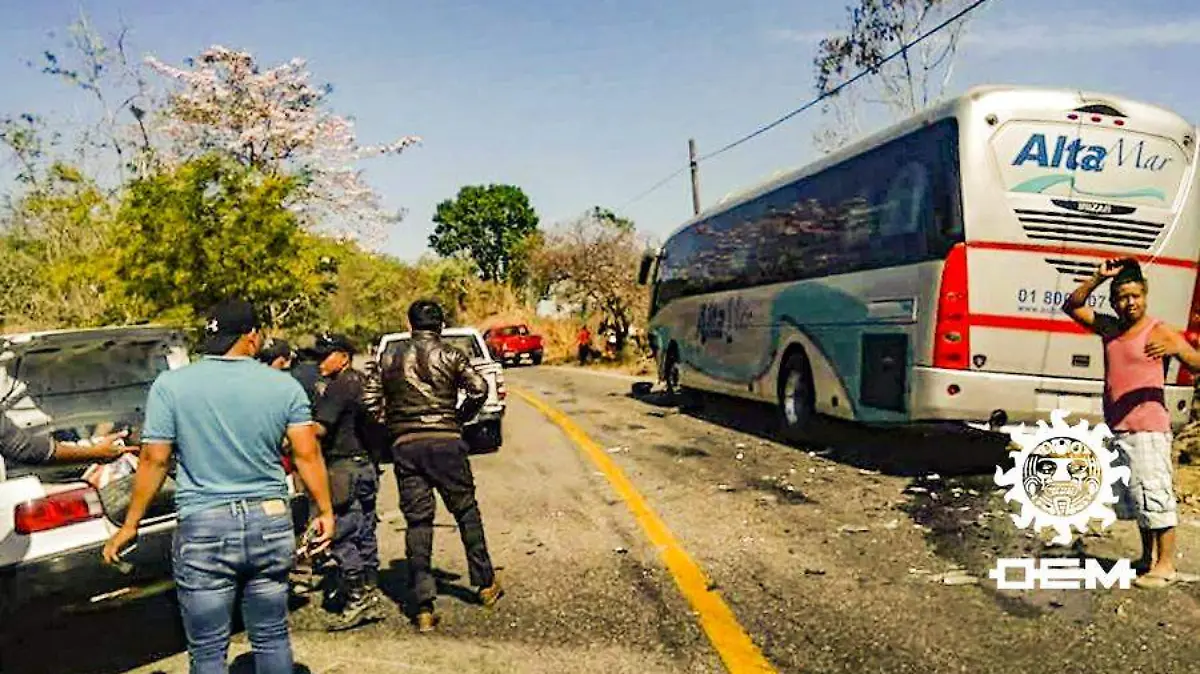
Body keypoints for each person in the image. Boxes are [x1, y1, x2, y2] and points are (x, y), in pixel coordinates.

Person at [102, 298, 335, 674]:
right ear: (251, 337)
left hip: (205, 525)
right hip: (270, 520)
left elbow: (155, 459)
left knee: (208, 649)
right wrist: (324, 511)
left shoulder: (171, 386)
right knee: (272, 635)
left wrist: (130, 524)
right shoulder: (283, 386)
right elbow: (307, 455)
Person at [1062, 257, 1200, 588]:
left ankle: (1165, 565)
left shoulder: (1160, 330)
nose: (1130, 302)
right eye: (1123, 297)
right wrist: (1097, 277)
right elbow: (1073, 306)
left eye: (1135, 295)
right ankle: (1146, 557)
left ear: (1146, 295)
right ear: (1114, 301)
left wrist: (1176, 349)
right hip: (1121, 428)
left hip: (1149, 428)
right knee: (1138, 498)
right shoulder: (1110, 329)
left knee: (1155, 495)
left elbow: (1196, 361)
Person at [380, 299, 502, 632]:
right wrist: (457, 419)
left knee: (418, 522)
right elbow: (479, 388)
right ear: (441, 326)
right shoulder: (451, 354)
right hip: (447, 443)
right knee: (465, 511)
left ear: (409, 325)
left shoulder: (389, 357)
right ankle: (485, 584)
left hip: (406, 446)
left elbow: (370, 399)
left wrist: (394, 426)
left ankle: (423, 606)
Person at [310, 332, 384, 631]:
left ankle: (358, 597)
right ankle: (370, 590)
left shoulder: (340, 387)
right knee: (365, 530)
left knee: (338, 533)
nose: (319, 362)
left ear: (343, 356)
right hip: (365, 466)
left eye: (324, 355)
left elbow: (319, 429)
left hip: (344, 470)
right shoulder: (362, 382)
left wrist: (289, 436)